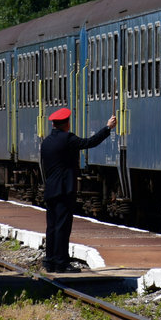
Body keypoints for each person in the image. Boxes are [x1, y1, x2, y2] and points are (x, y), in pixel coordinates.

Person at [39, 108, 114, 273]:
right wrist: (107, 128)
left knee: (51, 226)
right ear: (66, 124)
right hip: (64, 189)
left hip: (50, 189)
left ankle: (49, 260)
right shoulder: (67, 139)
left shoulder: (46, 142)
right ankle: (61, 262)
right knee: (63, 227)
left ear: (53, 124)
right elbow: (89, 142)